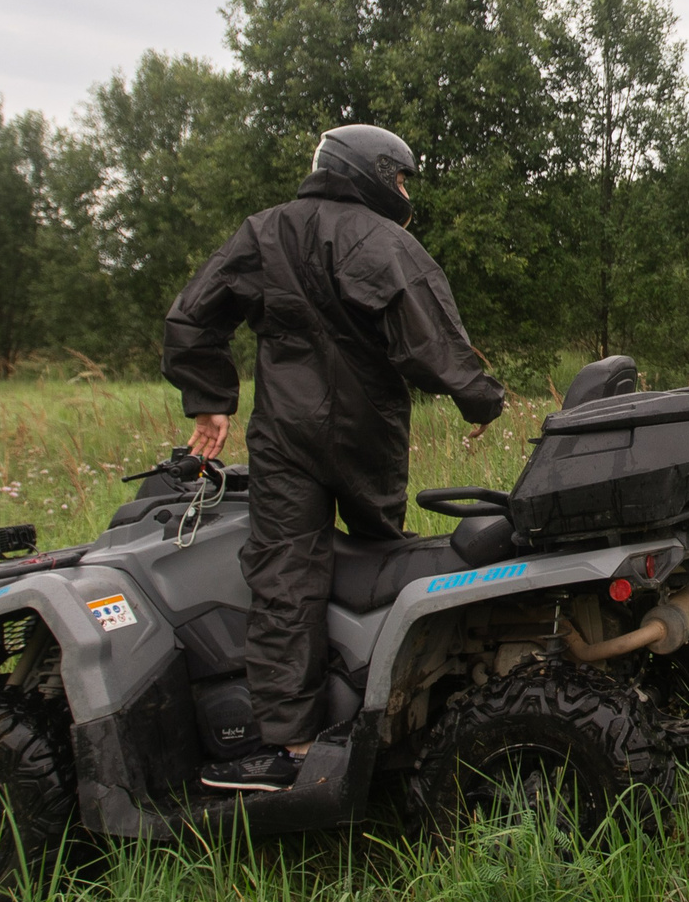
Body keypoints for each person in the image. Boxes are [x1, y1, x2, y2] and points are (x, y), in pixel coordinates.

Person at [163, 124, 506, 792]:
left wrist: (210, 398)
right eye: (401, 178)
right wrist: (481, 398)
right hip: (366, 433)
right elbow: (430, 339)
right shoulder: (386, 242)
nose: (405, 192)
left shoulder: (263, 232)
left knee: (286, 576)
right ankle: (395, 710)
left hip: (285, 435)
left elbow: (192, 315)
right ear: (372, 170)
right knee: (383, 564)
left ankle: (289, 744)